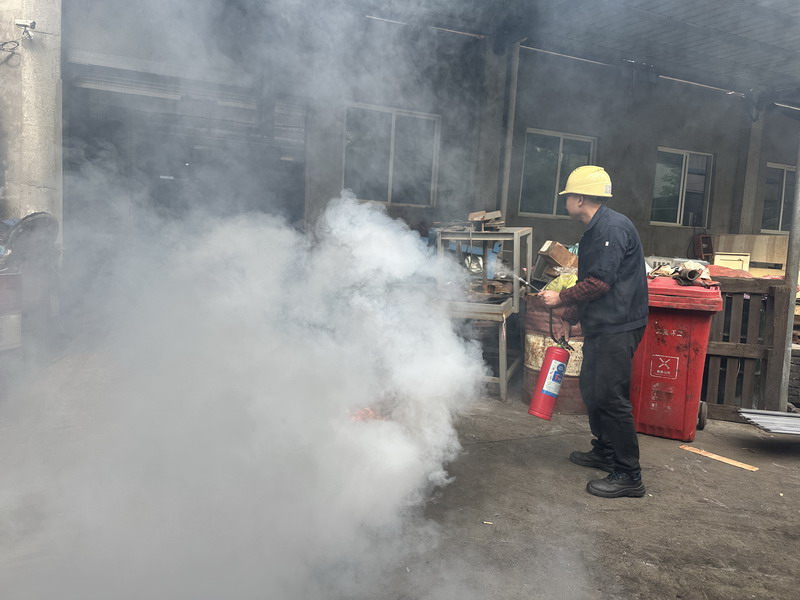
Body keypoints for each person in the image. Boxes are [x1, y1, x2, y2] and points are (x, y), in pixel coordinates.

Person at [538, 165, 649, 498]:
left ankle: (629, 474)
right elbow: (592, 281)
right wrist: (570, 314)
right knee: (593, 389)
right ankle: (605, 450)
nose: (565, 202)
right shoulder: (596, 228)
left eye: (567, 196)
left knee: (611, 397)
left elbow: (600, 283)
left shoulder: (611, 228)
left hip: (619, 325)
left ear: (579, 198)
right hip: (603, 323)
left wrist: (560, 298)